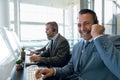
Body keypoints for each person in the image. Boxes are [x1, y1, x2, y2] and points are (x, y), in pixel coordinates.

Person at [35, 9, 120, 80]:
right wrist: (53, 71)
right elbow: (71, 67)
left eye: (86, 23)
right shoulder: (77, 46)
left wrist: (97, 36)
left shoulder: (112, 41)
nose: (82, 29)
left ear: (96, 23)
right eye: (79, 25)